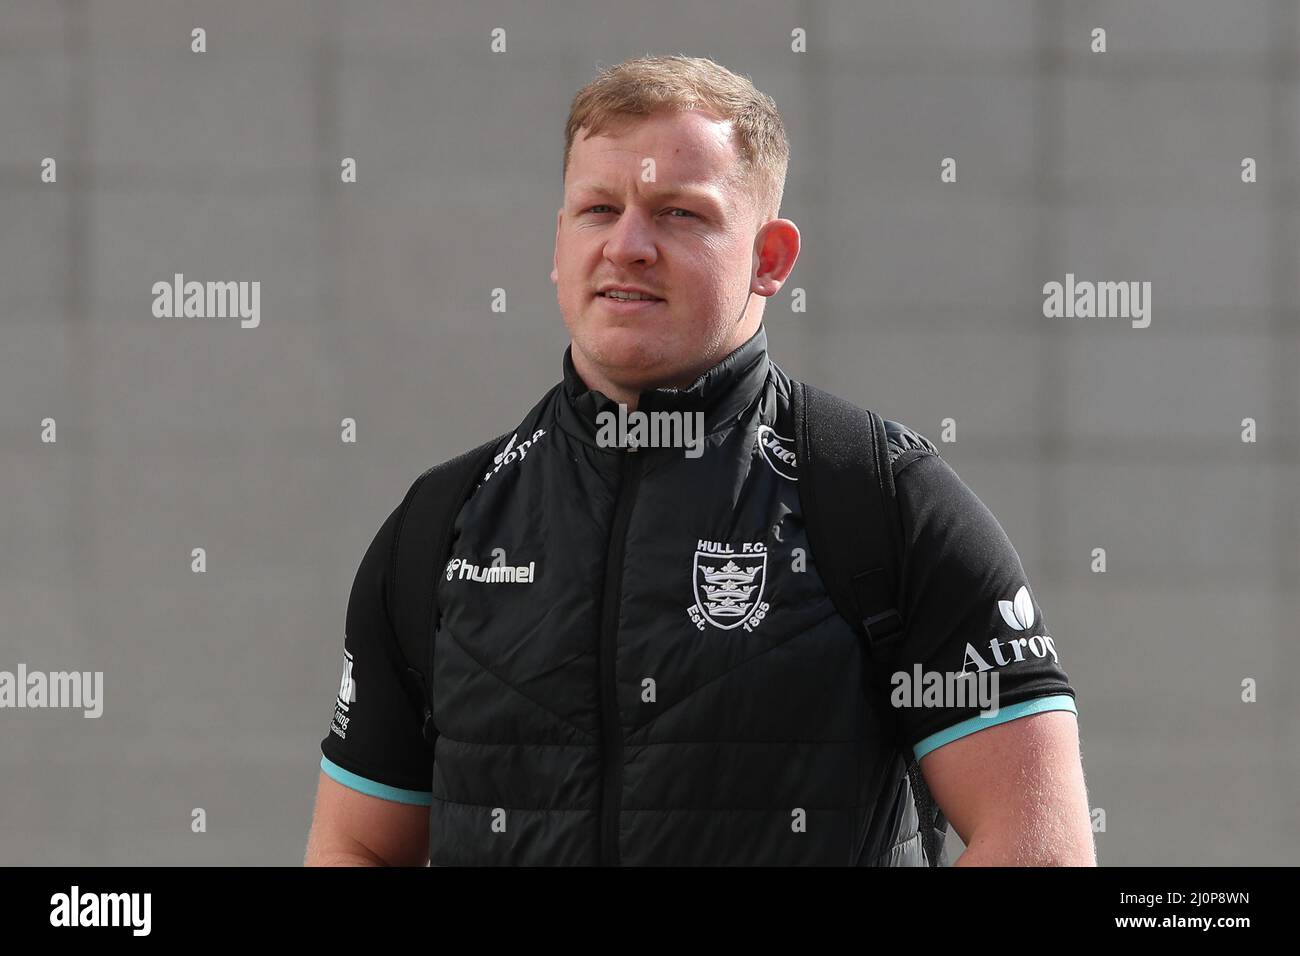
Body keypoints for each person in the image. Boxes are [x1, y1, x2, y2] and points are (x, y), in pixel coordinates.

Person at [304, 54, 1095, 867]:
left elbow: (1042, 848)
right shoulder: (442, 525)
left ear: (771, 258)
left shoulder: (882, 502)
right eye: (598, 209)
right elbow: (357, 845)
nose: (628, 246)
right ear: (556, 244)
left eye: (680, 214)